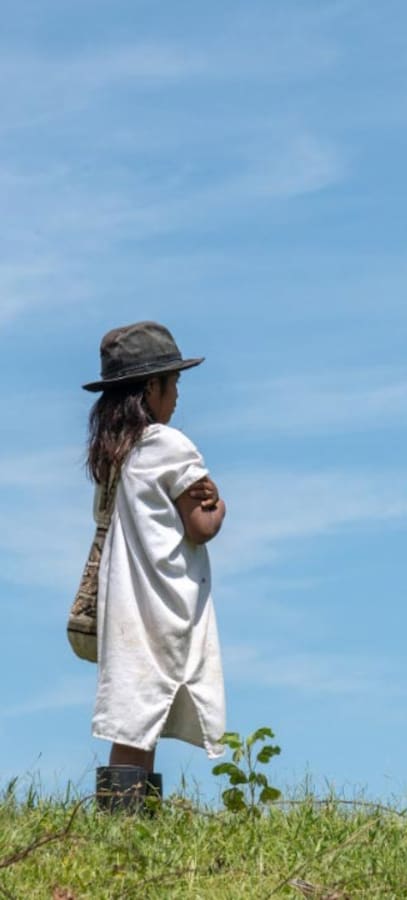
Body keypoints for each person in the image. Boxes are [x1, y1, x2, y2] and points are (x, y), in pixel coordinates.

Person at [83, 321, 228, 808]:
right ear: (152, 388)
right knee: (140, 714)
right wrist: (219, 505)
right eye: (173, 384)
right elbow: (200, 524)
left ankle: (129, 819)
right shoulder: (168, 444)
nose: (177, 396)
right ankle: (126, 819)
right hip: (162, 598)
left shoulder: (113, 456)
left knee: (133, 713)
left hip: (124, 597)